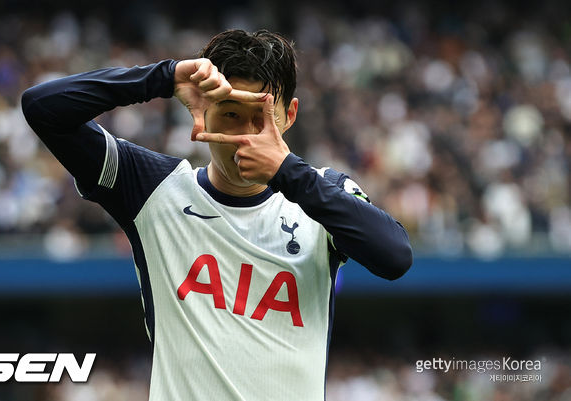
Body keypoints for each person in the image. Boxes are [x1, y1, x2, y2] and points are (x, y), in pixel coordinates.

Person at [22, 29, 412, 401]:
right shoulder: (152, 189)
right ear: (203, 111)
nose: (247, 135)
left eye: (262, 116)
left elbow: (395, 256)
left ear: (290, 114)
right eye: (230, 114)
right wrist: (163, 77)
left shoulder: (321, 190)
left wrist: (288, 173)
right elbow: (43, 108)